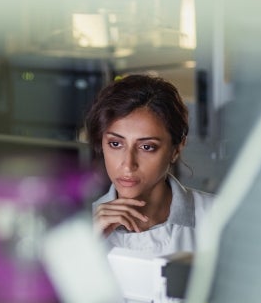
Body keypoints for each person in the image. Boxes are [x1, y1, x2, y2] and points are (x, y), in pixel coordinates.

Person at [84, 74, 214, 256]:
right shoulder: (78, 230)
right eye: (115, 144)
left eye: (147, 147)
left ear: (176, 149)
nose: (128, 165)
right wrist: (85, 245)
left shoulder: (219, 217)